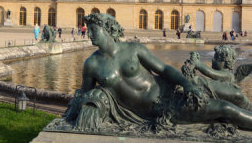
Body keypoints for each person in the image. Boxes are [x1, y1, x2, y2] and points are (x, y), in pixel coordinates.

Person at [64, 13, 252, 131]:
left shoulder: (133, 49)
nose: (88, 34)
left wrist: (186, 84)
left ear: (107, 30)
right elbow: (84, 92)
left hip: (171, 95)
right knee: (225, 109)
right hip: (160, 112)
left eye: (93, 30)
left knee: (231, 99)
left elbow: (163, 69)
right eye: (88, 30)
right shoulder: (91, 64)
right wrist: (70, 115)